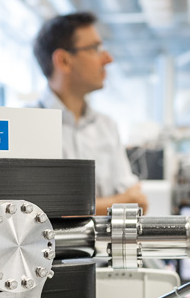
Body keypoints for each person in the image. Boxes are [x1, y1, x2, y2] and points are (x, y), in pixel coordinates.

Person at [32, 12, 148, 215]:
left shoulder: (106, 126)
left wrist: (75, 208)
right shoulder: (26, 125)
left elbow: (138, 203)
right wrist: (117, 202)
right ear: (64, 60)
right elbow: (40, 211)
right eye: (95, 49)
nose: (108, 59)